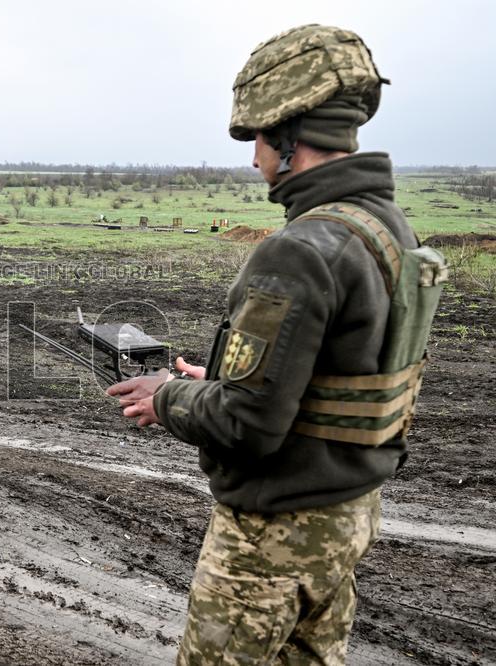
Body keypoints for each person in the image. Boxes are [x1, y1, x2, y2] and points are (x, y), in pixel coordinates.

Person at [108, 24, 435, 664]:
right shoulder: (386, 230)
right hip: (347, 515)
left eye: (255, 138)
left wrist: (169, 395)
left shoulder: (298, 251)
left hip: (272, 537)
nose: (253, 157)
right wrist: (221, 381)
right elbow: (337, 381)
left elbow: (250, 423)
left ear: (286, 137)